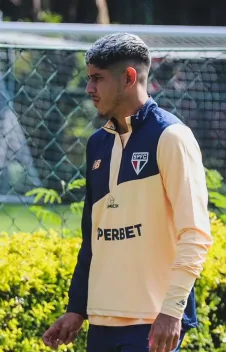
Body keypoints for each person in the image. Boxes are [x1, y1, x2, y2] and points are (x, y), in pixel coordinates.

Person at [42, 32, 213, 352]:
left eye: (97, 79)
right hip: (102, 320)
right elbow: (92, 238)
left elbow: (196, 234)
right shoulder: (97, 143)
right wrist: (77, 308)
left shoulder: (172, 137)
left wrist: (172, 310)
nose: (89, 88)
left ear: (129, 78)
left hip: (153, 321)